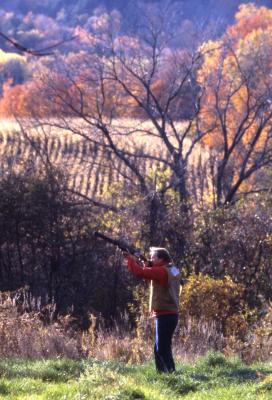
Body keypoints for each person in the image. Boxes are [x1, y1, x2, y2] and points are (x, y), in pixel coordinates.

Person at [124, 247, 180, 373]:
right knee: (160, 347)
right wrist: (149, 264)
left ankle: (170, 374)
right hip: (171, 314)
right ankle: (162, 374)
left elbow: (139, 272)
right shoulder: (173, 269)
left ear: (161, 259)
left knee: (161, 348)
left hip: (165, 314)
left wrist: (130, 258)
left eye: (153, 257)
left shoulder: (161, 272)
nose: (150, 259)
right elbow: (159, 270)